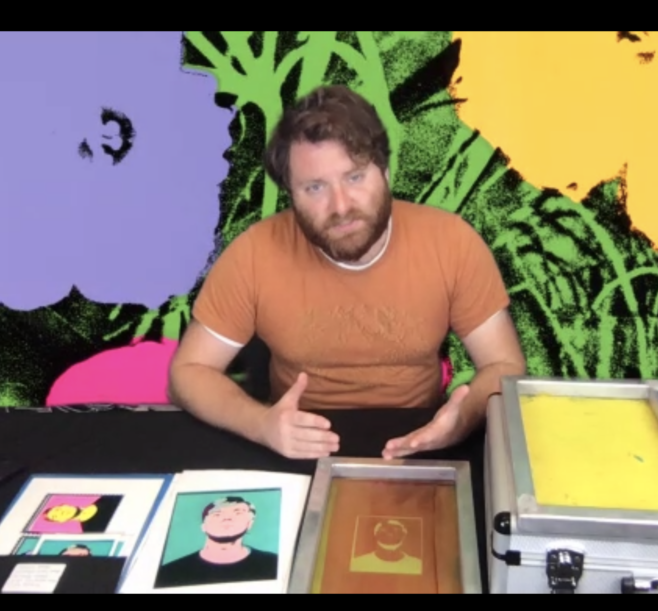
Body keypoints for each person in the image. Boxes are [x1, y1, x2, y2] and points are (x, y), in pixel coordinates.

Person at [168, 84, 527, 460]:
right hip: (296, 445)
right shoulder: (254, 253)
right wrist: (262, 424)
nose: (340, 206)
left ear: (386, 174)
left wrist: (463, 419)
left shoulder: (451, 242)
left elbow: (504, 364)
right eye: (315, 187)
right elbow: (188, 372)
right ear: (291, 194)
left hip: (422, 441)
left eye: (354, 177)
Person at [155, 496, 278, 588]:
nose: (227, 518)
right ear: (203, 526)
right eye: (217, 514)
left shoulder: (274, 564)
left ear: (250, 524)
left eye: (238, 513)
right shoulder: (170, 573)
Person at [350, 519, 422, 575]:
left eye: (395, 529)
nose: (390, 533)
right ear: (376, 534)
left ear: (404, 535)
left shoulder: (417, 565)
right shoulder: (358, 563)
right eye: (386, 529)